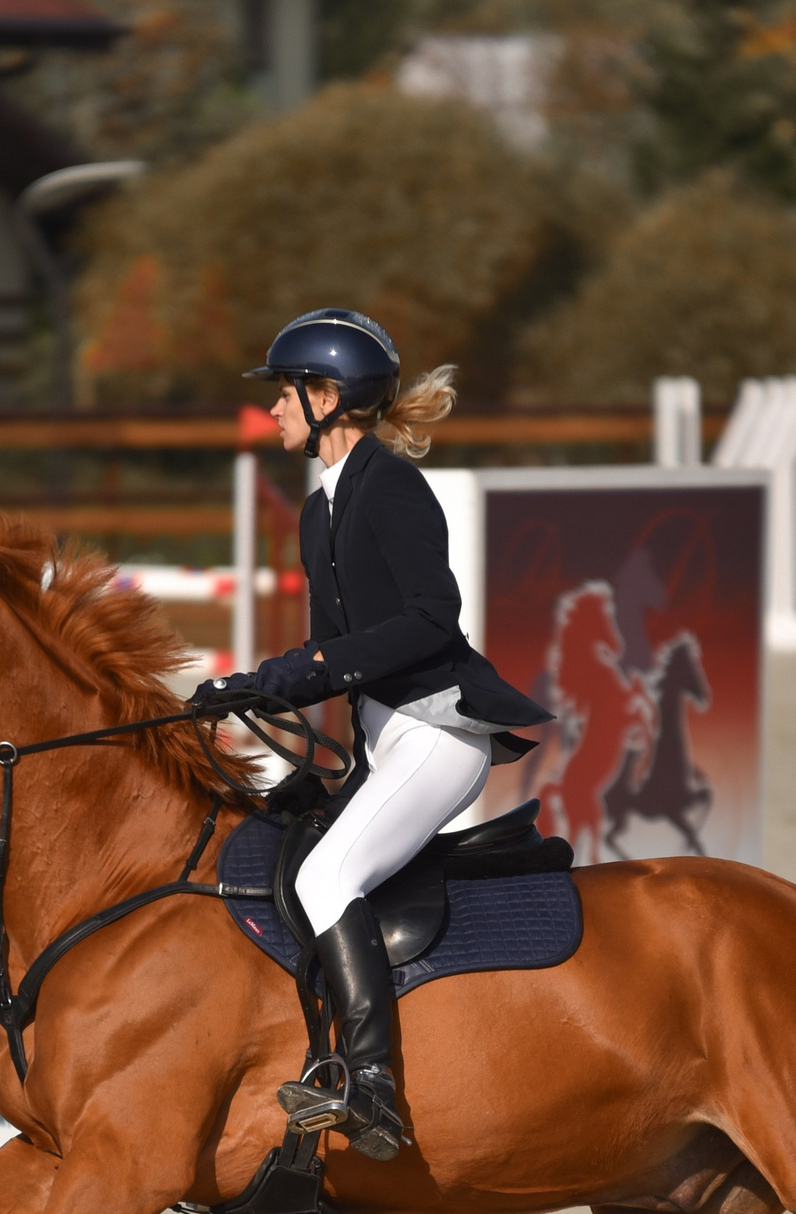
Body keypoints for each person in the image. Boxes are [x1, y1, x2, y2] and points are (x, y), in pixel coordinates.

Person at [197, 309, 553, 1161]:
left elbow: (432, 622)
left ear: (326, 397)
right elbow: (339, 661)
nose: (274, 409)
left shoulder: (391, 488)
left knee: (327, 878)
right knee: (294, 848)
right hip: (386, 739)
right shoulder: (320, 510)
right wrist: (264, 690)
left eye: (285, 392)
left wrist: (288, 671)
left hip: (438, 732)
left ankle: (373, 1089)